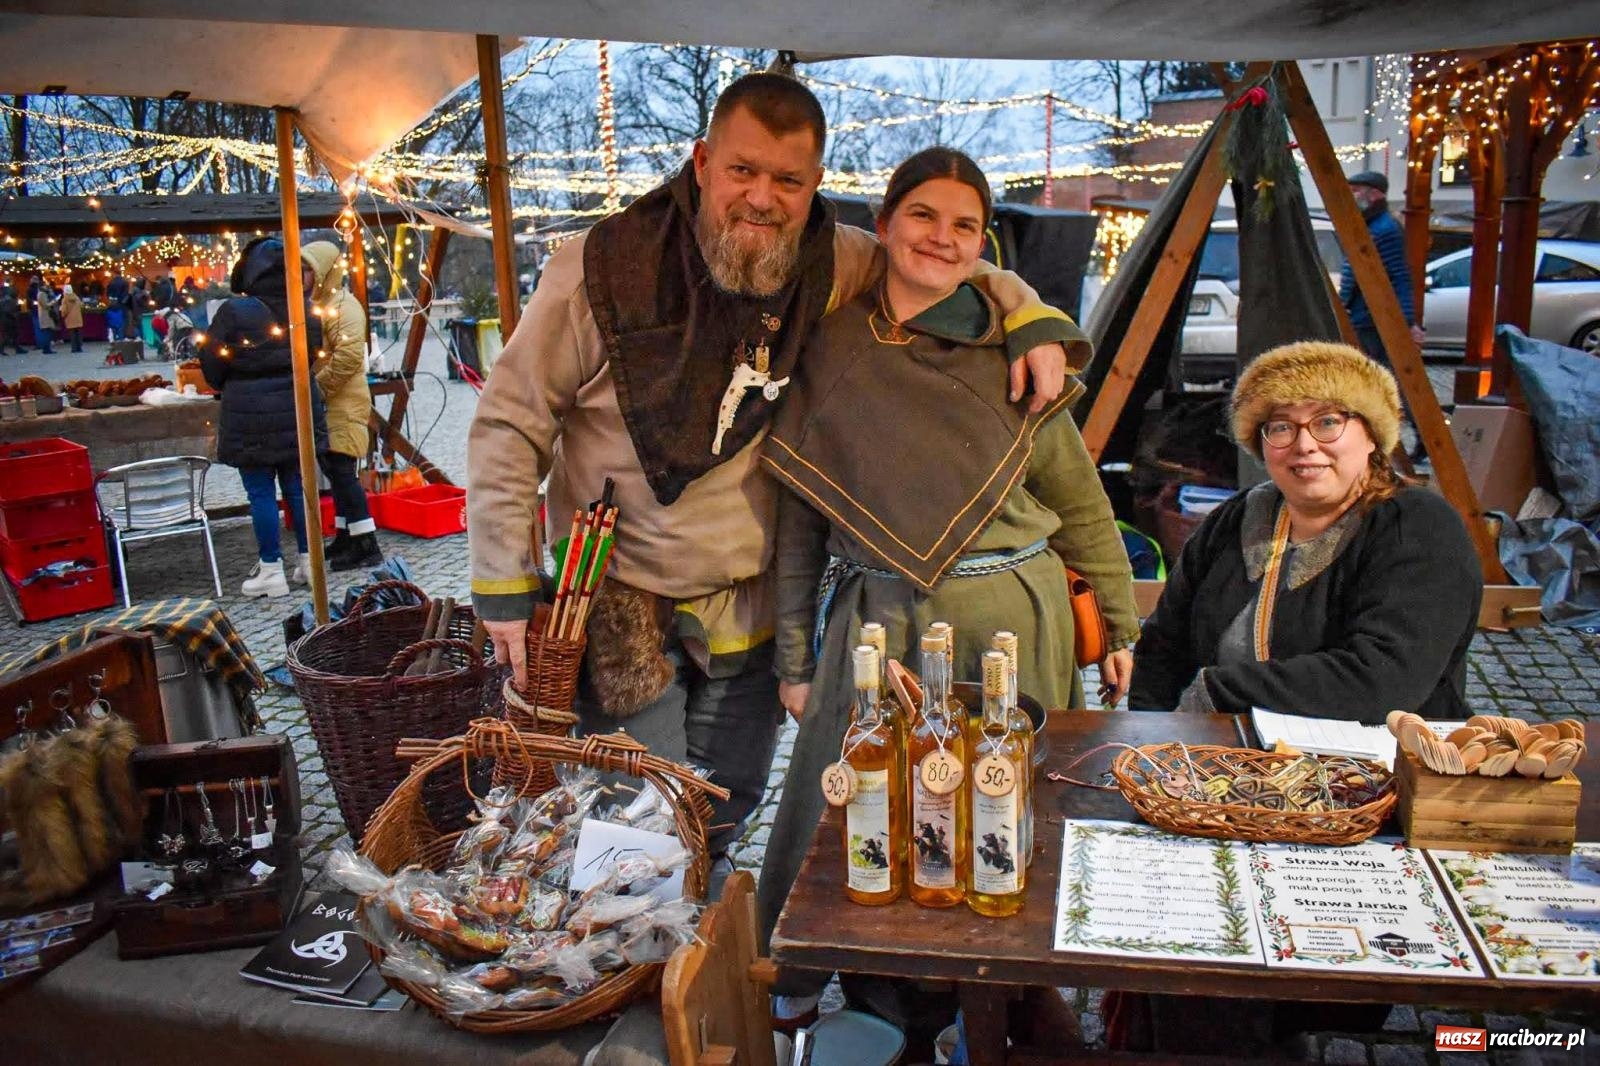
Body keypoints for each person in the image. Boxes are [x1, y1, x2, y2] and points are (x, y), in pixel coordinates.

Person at [468, 73, 1073, 868]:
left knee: (726, 802)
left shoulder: (833, 264)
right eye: (742, 171)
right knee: (631, 817)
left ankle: (701, 956)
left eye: (787, 180)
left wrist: (1030, 316)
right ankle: (635, 972)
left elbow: (938, 260)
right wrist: (504, 585)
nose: (762, 198)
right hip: (619, 589)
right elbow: (512, 422)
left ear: (815, 184)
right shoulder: (599, 269)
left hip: (746, 603)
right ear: (701, 161)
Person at [755, 146, 1141, 1030]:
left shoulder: (1019, 349)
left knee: (1008, 810)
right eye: (923, 215)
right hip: (880, 621)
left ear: (984, 244)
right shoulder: (833, 346)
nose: (942, 236)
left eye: (965, 224)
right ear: (884, 224)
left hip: (1015, 615)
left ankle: (1009, 1000)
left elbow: (1080, 500)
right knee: (853, 805)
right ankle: (856, 993)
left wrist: (1119, 621)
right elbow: (801, 523)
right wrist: (792, 656)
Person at [1130, 340, 1482, 721]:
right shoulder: (1233, 522)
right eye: (1281, 427)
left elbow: (1383, 680)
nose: (1304, 445)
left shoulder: (1417, 526)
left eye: (1328, 422)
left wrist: (1219, 690)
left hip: (1377, 768)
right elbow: (1162, 648)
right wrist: (1156, 739)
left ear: (1370, 434)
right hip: (1223, 761)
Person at [199, 237, 329, 598]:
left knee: (260, 493)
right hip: (297, 405)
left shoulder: (235, 312)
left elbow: (211, 364)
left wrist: (234, 381)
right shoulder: (305, 308)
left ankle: (271, 569)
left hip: (250, 412)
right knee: (298, 489)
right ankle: (308, 562)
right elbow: (314, 356)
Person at [302, 241, 383, 572]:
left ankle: (367, 542)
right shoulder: (318, 304)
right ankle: (346, 535)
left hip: (343, 402)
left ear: (322, 271)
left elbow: (349, 356)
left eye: (307, 269)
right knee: (335, 473)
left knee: (343, 471)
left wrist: (316, 389)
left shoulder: (344, 306)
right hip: (329, 402)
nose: (301, 276)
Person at [1339, 171, 1426, 363]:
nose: (1352, 196)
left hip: (1373, 319)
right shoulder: (1369, 225)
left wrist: (1407, 321)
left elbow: (1399, 275)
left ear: (1375, 194)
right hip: (1365, 316)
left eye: (1356, 190)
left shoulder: (1384, 229)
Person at [27, 274, 54, 354]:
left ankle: (41, 344)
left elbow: (30, 301)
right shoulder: (40, 292)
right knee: (43, 329)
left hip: (35, 311)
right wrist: (52, 302)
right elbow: (45, 304)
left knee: (39, 328)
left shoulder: (30, 290)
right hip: (41, 312)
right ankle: (44, 345)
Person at [0, 281, 26, 355]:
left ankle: (16, 348)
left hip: (6, 319)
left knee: (12, 334)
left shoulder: (4, 299)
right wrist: (15, 314)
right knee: (9, 335)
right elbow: (8, 310)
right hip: (9, 319)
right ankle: (4, 348)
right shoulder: (9, 300)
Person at [59, 283, 84, 353]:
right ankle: (79, 348)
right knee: (78, 333)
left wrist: (62, 315)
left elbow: (64, 310)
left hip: (70, 318)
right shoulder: (76, 297)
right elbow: (81, 305)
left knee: (72, 334)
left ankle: (74, 348)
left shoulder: (65, 299)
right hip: (78, 318)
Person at [105, 273, 128, 341]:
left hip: (112, 305)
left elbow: (108, 293)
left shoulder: (111, 282)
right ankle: (121, 338)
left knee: (112, 324)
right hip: (121, 305)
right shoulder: (125, 282)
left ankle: (114, 339)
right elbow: (126, 294)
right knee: (121, 323)